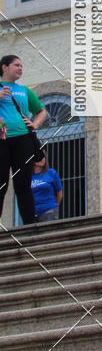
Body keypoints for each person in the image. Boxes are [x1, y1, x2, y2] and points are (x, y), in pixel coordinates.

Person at [0, 55, 47, 226]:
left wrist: (35, 124)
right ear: (4, 67)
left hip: (23, 139)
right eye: (16, 65)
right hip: (2, 138)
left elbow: (42, 111)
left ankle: (29, 223)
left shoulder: (25, 90)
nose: (20, 68)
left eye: (21, 65)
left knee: (23, 183)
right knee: (1, 184)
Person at [31, 151, 63, 222]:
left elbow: (59, 193)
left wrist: (53, 207)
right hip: (32, 213)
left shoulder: (51, 173)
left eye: (43, 157)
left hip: (49, 211)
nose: (42, 159)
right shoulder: (27, 177)